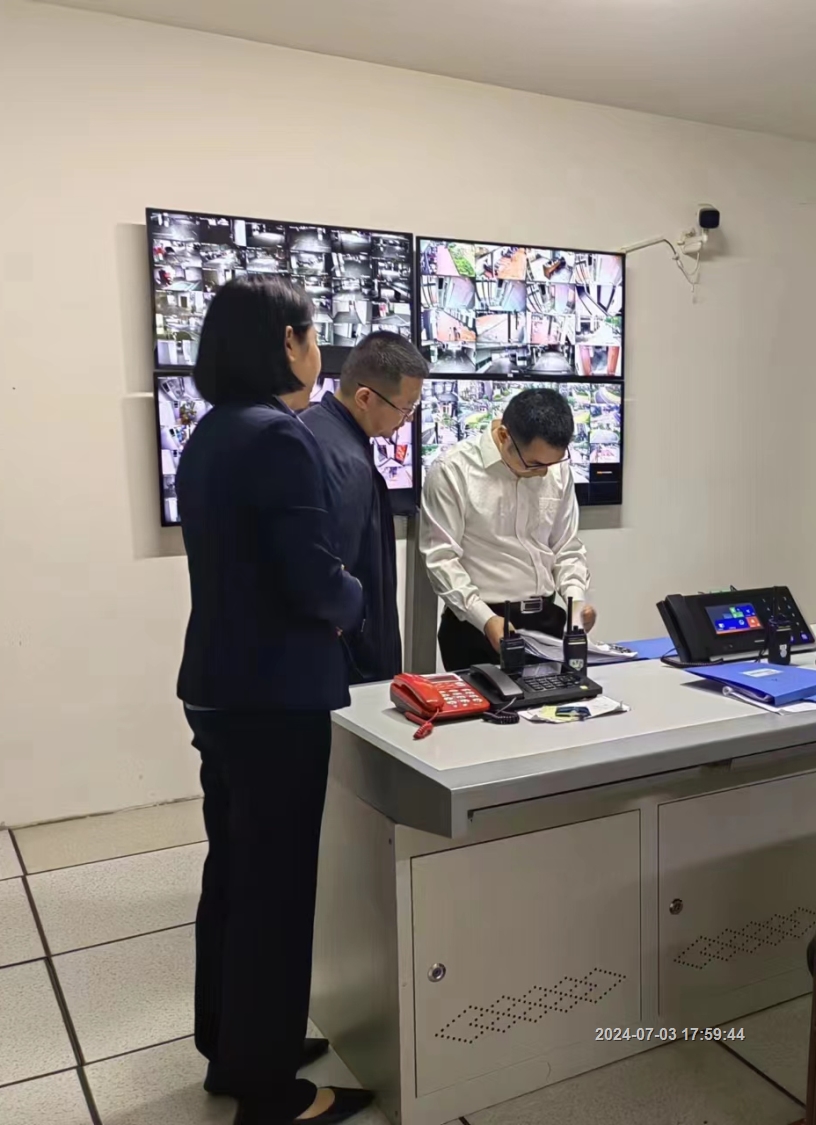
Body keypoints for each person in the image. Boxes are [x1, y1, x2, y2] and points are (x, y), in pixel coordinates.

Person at [175, 274, 373, 1125]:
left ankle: (235, 1047)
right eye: (313, 333)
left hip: (219, 686)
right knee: (277, 889)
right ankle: (269, 1093)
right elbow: (314, 579)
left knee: (234, 872)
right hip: (274, 697)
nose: (319, 349)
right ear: (288, 342)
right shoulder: (279, 436)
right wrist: (355, 599)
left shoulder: (212, 431)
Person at [420, 386, 595, 670]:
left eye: (553, 463)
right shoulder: (453, 470)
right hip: (478, 625)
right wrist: (485, 619)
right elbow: (441, 559)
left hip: (546, 623)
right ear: (504, 436)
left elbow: (566, 547)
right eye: (534, 464)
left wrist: (576, 603)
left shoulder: (554, 468)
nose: (543, 473)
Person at [302, 331, 427, 684]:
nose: (408, 419)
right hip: (347, 664)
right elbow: (330, 580)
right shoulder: (348, 463)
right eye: (405, 408)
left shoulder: (310, 425)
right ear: (365, 398)